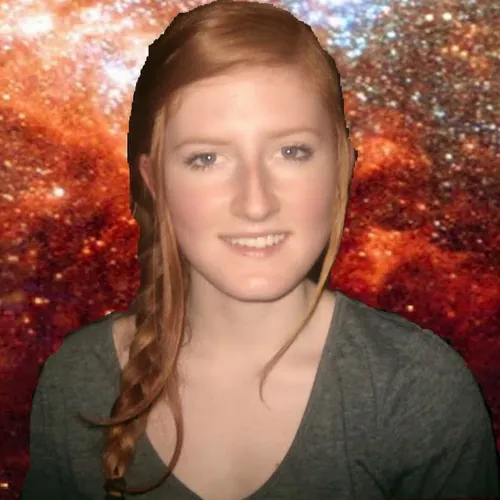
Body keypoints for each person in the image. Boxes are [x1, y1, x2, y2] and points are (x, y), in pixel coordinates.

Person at [22, 1, 499, 499]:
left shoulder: (416, 390)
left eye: (291, 152)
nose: (256, 203)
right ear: (154, 182)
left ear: (342, 165)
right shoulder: (79, 382)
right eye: (206, 158)